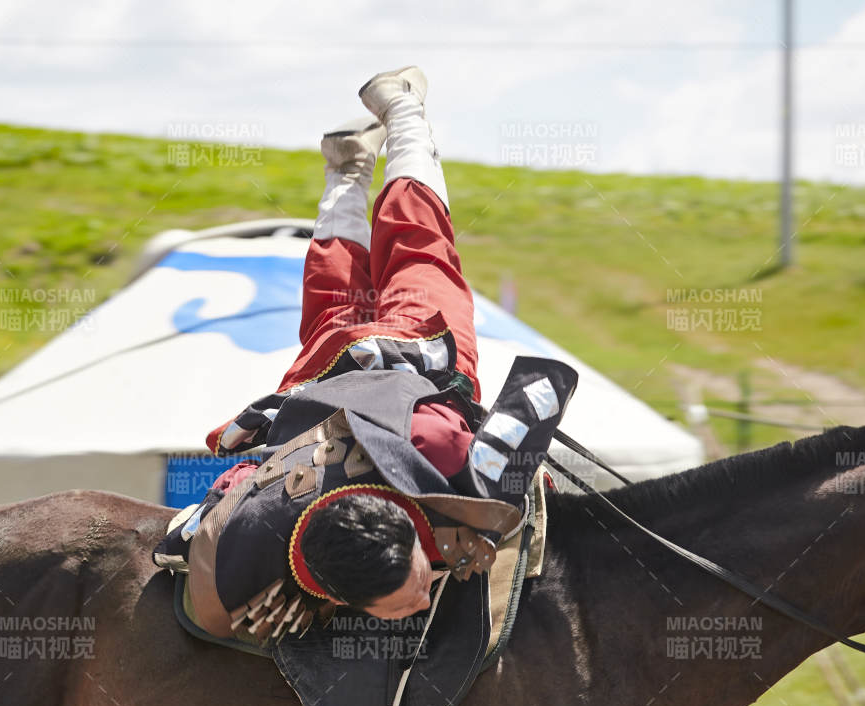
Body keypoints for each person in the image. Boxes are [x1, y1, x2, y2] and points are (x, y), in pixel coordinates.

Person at [155, 66, 577, 645]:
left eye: (415, 587)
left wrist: (494, 505)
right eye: (420, 589)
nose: (427, 594)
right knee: (335, 289)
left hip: (413, 350)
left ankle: (402, 111)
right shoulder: (257, 533)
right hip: (315, 384)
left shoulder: (445, 451)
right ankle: (347, 165)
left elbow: (519, 436)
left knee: (420, 243)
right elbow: (215, 511)